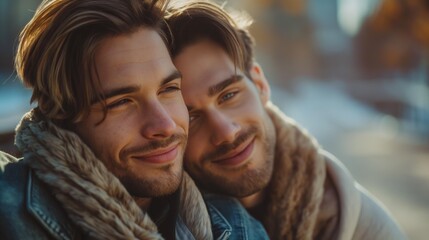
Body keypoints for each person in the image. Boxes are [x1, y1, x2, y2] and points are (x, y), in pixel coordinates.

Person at [0, 0, 269, 239]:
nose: (165, 126)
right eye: (121, 102)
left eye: (168, 90)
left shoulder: (236, 226)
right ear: (60, 114)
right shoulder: (9, 209)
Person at [166, 1, 407, 239]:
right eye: (191, 116)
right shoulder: (158, 223)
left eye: (229, 95)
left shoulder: (369, 229)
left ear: (260, 85)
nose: (226, 132)